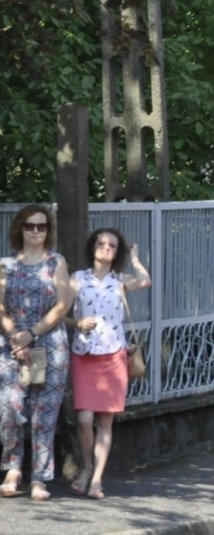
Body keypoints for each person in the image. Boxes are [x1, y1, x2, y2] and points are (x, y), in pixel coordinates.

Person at [0, 206, 75, 500]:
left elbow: (62, 306)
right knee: (10, 407)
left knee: (44, 412)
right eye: (30, 226)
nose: (35, 231)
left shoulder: (56, 262)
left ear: (48, 231)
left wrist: (32, 334)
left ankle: (40, 479)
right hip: (11, 344)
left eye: (41, 227)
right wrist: (16, 336)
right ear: (20, 228)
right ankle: (13, 467)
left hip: (49, 343)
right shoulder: (5, 265)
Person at [69, 228, 151, 499]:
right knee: (84, 419)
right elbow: (61, 313)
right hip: (85, 356)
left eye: (112, 245)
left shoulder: (120, 281)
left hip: (115, 356)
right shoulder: (77, 279)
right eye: (101, 243)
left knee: (105, 421)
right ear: (92, 247)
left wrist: (136, 259)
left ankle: (96, 479)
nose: (106, 248)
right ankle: (86, 465)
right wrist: (78, 322)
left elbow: (145, 282)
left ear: (117, 253)